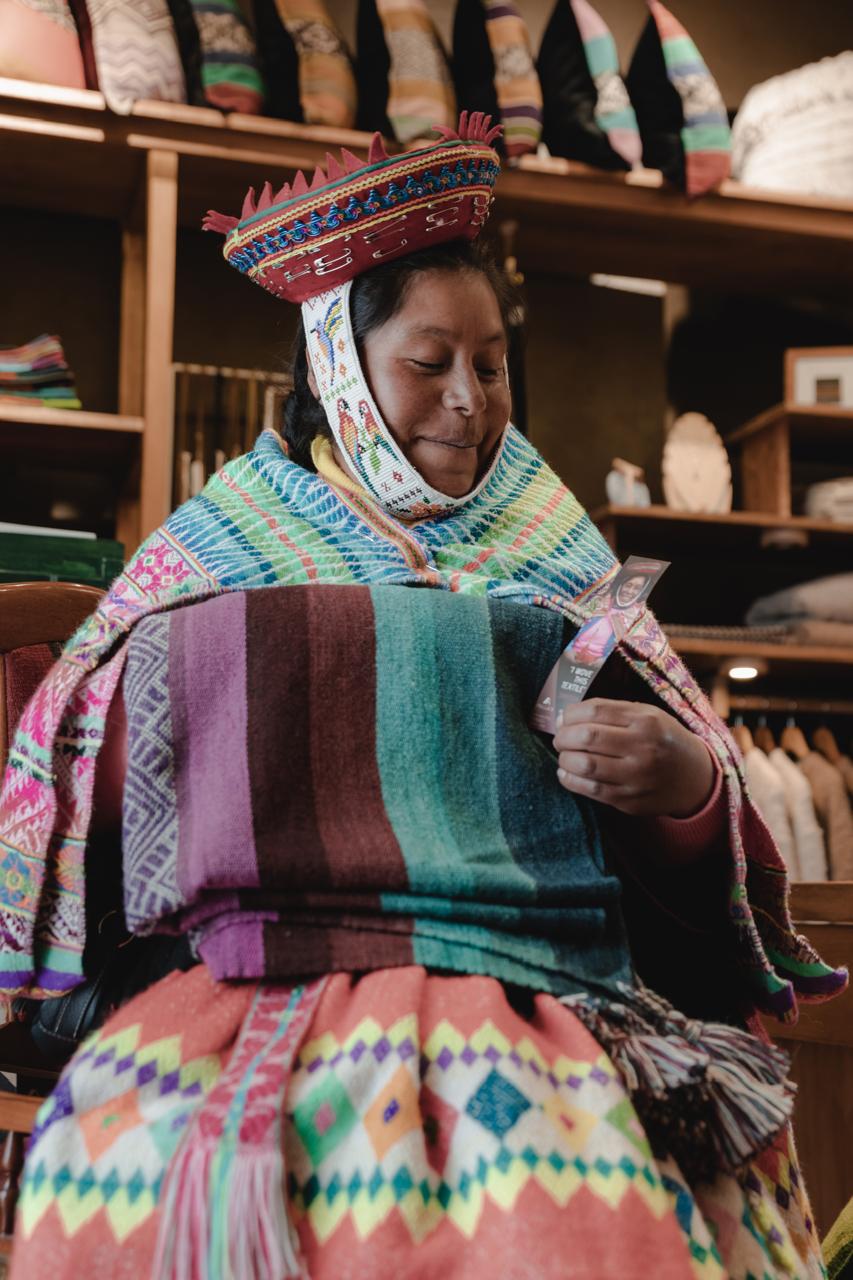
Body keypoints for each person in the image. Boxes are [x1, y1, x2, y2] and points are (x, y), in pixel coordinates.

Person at [0, 114, 845, 1280]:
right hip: (254, 966)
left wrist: (683, 782)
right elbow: (70, 774)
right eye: (427, 362)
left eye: (490, 366)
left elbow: (688, 801)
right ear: (338, 374)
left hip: (540, 968)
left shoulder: (557, 545)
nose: (468, 400)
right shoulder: (215, 548)